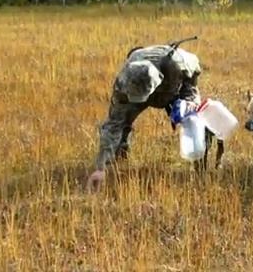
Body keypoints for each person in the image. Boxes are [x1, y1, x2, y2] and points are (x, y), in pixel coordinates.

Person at [86, 37, 206, 191]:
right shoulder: (124, 85)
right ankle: (119, 159)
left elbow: (193, 73)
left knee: (193, 120)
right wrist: (100, 168)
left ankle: (200, 165)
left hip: (172, 84)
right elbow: (113, 125)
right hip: (144, 87)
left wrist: (188, 102)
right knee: (122, 124)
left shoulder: (178, 63)